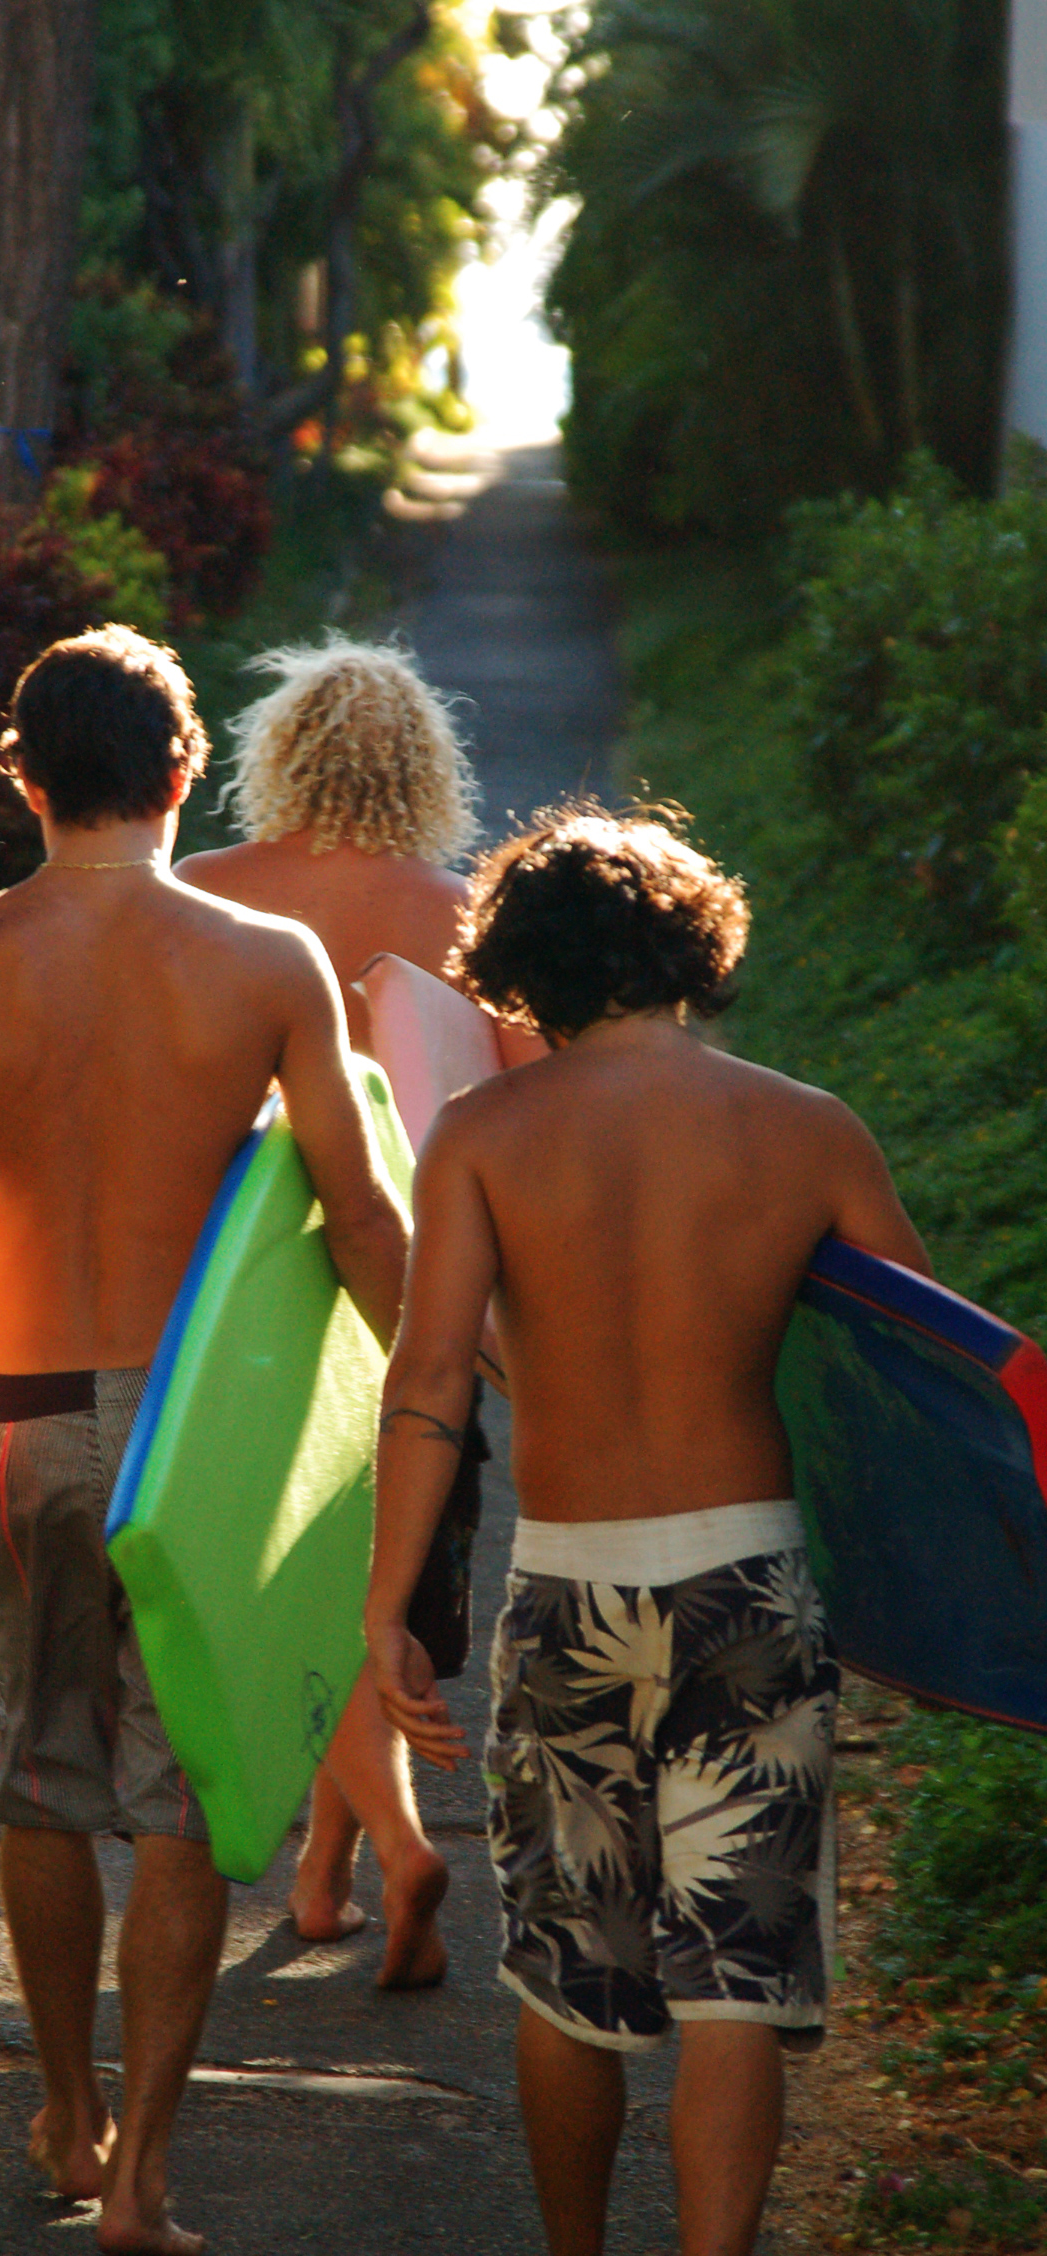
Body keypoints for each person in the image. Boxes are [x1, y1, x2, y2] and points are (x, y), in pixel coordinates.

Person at [0, 625, 409, 2256]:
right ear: (182, 772)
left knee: (42, 1778)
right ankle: (146, 2178)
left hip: (24, 1428)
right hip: (202, 1441)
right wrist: (438, 1392)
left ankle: (65, 2112)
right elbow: (360, 1214)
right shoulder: (267, 962)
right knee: (183, 1795)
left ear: (20, 777)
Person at [362, 804, 930, 2256]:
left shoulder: (482, 1136)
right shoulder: (807, 1129)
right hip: (751, 1590)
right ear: (694, 950)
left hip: (570, 1594)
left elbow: (430, 1383)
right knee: (734, 1983)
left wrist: (393, 1606)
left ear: (522, 970)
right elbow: (918, 1380)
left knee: (572, 1982)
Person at [180, 635, 520, 1989]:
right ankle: (343, 1865)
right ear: (426, 766)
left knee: (303, 1577)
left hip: (249, 1275)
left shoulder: (203, 891)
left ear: (280, 755)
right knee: (379, 1564)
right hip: (421, 1274)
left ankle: (373, 1848)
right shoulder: (466, 913)